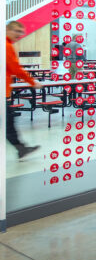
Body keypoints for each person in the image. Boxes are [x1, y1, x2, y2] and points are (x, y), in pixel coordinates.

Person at [6, 21, 41, 159]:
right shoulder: (6, 46)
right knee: (8, 123)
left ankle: (20, 148)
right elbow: (16, 69)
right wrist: (32, 82)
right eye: (16, 31)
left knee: (9, 122)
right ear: (7, 29)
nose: (19, 34)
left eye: (21, 32)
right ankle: (20, 148)